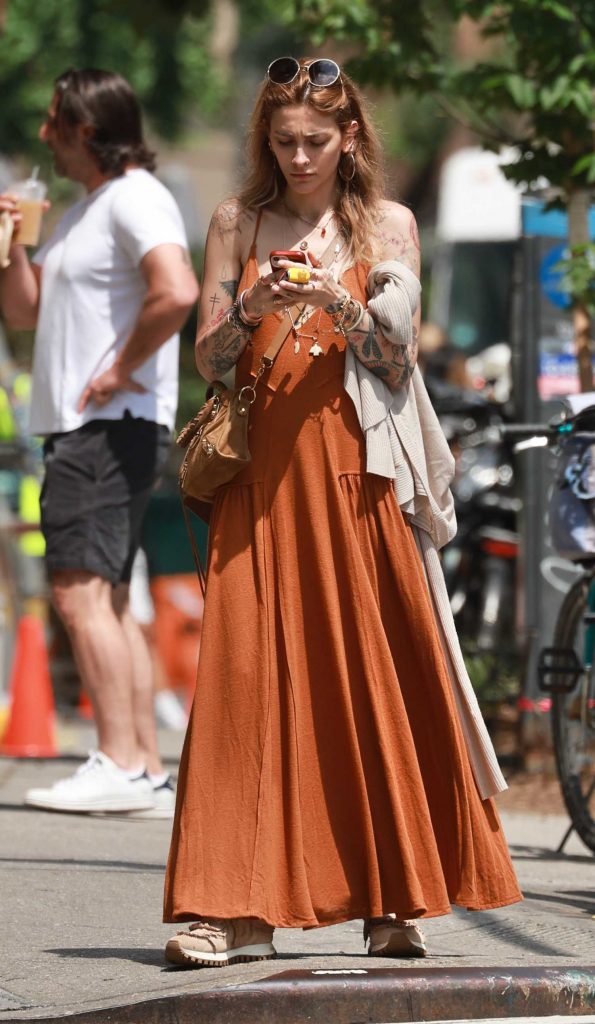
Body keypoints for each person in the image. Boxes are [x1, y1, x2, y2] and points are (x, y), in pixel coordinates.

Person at [163, 56, 521, 966]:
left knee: (372, 678)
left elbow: (399, 358)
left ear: (349, 135)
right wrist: (250, 306)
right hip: (259, 480)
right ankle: (225, 905)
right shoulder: (236, 221)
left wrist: (339, 301)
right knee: (243, 686)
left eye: (314, 141)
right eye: (281, 142)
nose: (297, 157)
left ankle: (391, 897)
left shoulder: (386, 226)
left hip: (358, 478)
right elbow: (208, 360)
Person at [0, 68, 199, 815]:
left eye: (55, 121)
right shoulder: (87, 209)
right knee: (109, 597)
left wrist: (119, 369)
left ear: (86, 130)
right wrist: (13, 247)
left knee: (80, 593)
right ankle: (142, 765)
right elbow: (25, 312)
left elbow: (175, 289)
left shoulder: (136, 197)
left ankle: (117, 760)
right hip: (88, 427)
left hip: (104, 427)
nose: (44, 133)